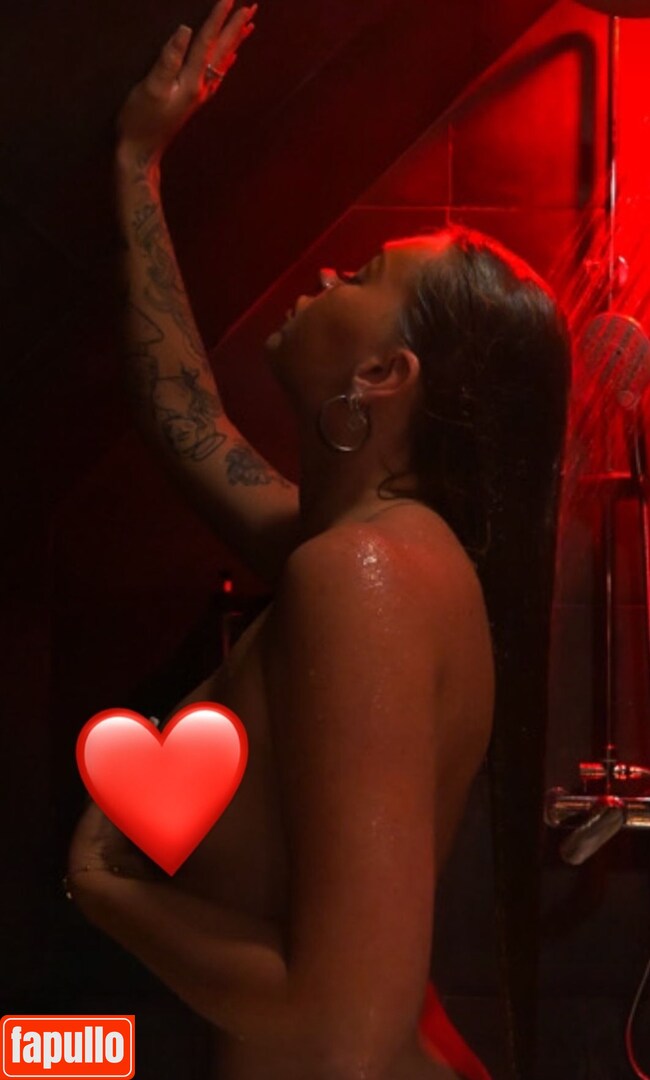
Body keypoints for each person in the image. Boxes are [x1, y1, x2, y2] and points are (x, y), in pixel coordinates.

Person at [65, 2, 572, 1078]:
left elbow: (343, 1034)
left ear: (382, 376)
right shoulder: (364, 550)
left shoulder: (365, 576)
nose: (333, 276)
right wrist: (138, 165)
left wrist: (105, 891)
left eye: (363, 275)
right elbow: (188, 424)